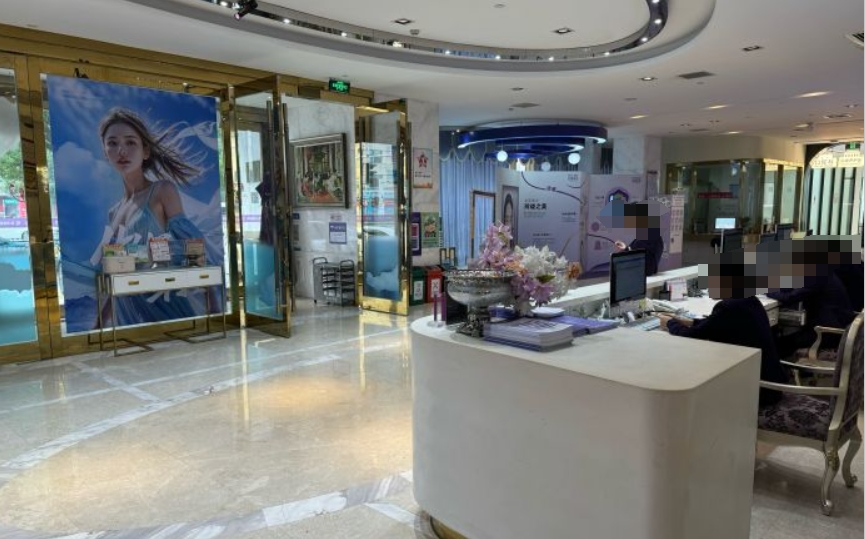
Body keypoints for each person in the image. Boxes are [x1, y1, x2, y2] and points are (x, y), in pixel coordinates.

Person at [94, 108, 211, 328]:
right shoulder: (114, 212)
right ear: (105, 152)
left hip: (163, 303)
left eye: (130, 142)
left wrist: (211, 303)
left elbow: (194, 246)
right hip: (129, 311)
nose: (121, 151)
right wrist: (100, 321)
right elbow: (118, 272)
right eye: (112, 143)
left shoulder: (162, 191)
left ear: (145, 151)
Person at [656, 271, 787, 406]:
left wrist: (670, 323)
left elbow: (690, 336)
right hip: (771, 383)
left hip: (756, 392)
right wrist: (687, 321)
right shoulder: (747, 299)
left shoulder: (727, 307)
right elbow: (713, 324)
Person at [614, 203, 664, 276]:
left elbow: (648, 266)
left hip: (642, 278)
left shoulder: (650, 236)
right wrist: (626, 248)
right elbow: (636, 251)